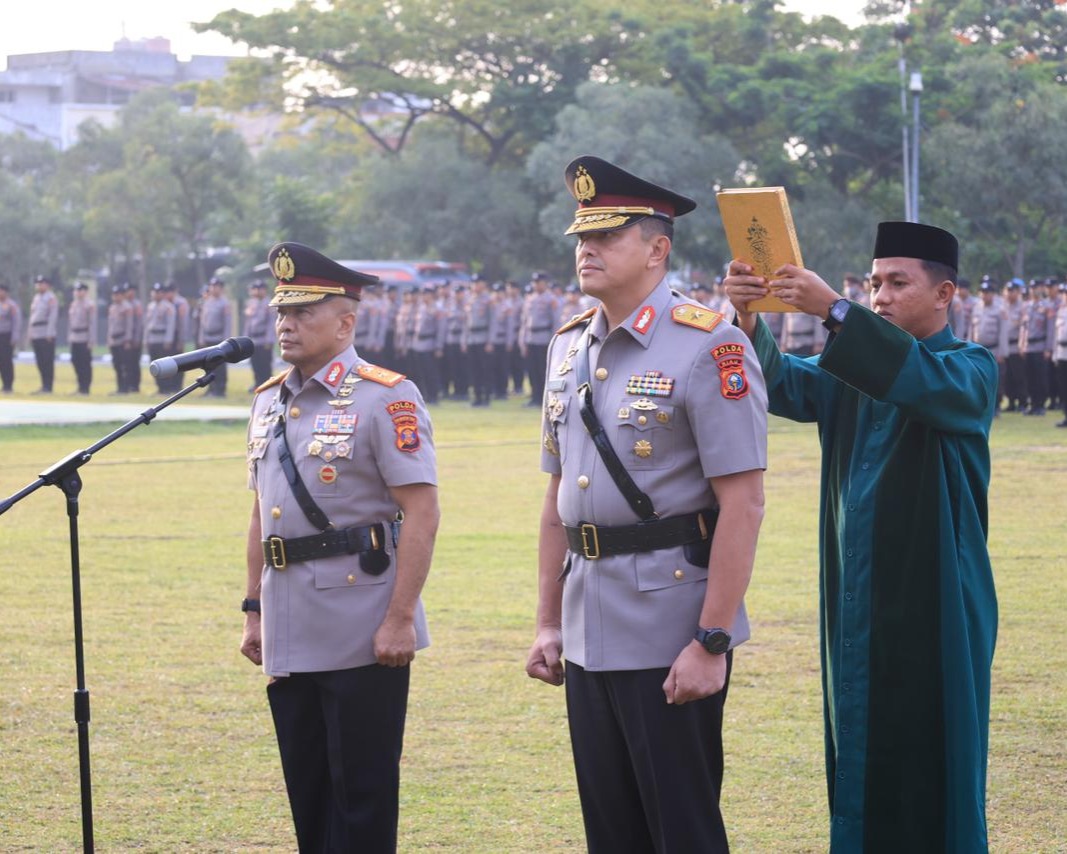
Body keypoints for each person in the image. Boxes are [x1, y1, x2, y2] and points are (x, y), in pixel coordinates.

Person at [724, 220, 998, 852]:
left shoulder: (970, 370)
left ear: (945, 294)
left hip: (940, 605)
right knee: (861, 745)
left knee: (938, 751)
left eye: (898, 283)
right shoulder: (850, 369)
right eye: (873, 283)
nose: (880, 296)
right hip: (861, 596)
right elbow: (781, 383)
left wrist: (834, 308)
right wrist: (746, 316)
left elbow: (920, 384)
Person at [525, 155, 767, 853]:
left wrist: (711, 641)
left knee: (682, 828)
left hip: (669, 625)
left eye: (606, 237)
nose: (586, 250)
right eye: (581, 238)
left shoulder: (708, 345)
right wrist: (547, 623)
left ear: (657, 250)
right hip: (587, 620)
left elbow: (742, 504)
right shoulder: (567, 348)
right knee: (612, 832)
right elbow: (555, 499)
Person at [242, 241, 439, 853]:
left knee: (362, 796)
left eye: (302, 312)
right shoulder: (268, 399)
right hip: (288, 618)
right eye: (281, 312)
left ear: (346, 321)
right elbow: (261, 510)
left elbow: (422, 511)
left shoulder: (387, 396)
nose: (286, 324)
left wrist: (401, 619)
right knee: (309, 793)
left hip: (362, 623)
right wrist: (252, 609)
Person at [199, 277, 232, 397]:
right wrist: (201, 337)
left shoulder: (224, 303)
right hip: (208, 337)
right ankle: (210, 388)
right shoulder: (207, 301)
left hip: (219, 338)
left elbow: (227, 323)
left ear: (221, 288)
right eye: (212, 286)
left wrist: (226, 340)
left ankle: (220, 389)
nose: (213, 289)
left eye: (216, 286)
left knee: (220, 366)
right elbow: (203, 322)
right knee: (208, 365)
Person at [144, 283, 177, 394]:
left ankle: (166, 388)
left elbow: (170, 325)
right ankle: (159, 387)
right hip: (153, 338)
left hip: (162, 339)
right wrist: (146, 339)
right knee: (154, 364)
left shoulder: (168, 307)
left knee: (165, 365)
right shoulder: (150, 306)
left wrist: (168, 340)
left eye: (158, 292)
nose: (156, 294)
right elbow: (147, 325)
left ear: (163, 294)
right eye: (154, 292)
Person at [28, 274, 59, 394]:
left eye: (42, 283)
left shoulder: (50, 298)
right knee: (40, 361)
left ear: (47, 285)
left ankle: (48, 386)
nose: (39, 285)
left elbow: (52, 316)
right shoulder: (36, 298)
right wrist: (30, 333)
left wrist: (50, 333)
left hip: (46, 332)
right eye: (38, 283)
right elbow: (32, 317)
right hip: (36, 332)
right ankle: (43, 385)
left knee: (47, 360)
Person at [243, 279, 276, 389]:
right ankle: (257, 383)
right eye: (256, 289)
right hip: (253, 338)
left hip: (264, 339)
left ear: (265, 290)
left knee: (265, 364)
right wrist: (245, 338)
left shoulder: (270, 304)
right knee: (255, 363)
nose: (257, 291)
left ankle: (266, 384)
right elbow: (248, 323)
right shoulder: (251, 303)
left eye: (260, 289)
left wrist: (269, 340)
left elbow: (271, 323)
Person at [68, 282, 97, 395]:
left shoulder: (89, 305)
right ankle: (80, 386)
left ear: (85, 292)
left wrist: (91, 340)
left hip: (85, 337)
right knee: (75, 361)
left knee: (85, 363)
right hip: (75, 336)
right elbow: (70, 323)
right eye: (76, 290)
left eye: (80, 290)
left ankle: (85, 388)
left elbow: (92, 323)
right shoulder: (73, 304)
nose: (78, 292)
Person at [0, 282, 21, 393]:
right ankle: (3, 384)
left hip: (7, 336)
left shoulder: (11, 305)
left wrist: (14, 337)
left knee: (6, 360)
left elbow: (16, 321)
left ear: (5, 292)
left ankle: (8, 385)